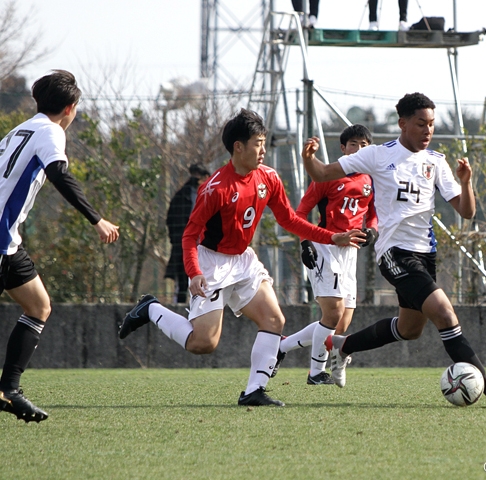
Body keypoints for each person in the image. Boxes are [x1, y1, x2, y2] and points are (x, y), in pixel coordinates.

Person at [118, 109, 364, 407]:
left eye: (264, 142)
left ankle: (253, 391)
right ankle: (151, 309)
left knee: (274, 319)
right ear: (238, 146)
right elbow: (189, 235)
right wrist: (194, 272)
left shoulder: (268, 178)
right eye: (258, 143)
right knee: (203, 344)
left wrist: (329, 237)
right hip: (212, 263)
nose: (263, 149)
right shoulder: (216, 188)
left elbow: (289, 219)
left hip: (244, 261)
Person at [300, 92, 486, 407]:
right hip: (393, 252)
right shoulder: (377, 155)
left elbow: (466, 212)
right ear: (403, 123)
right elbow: (322, 173)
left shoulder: (436, 162)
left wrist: (467, 183)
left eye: (431, 124)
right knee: (445, 314)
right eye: (420, 124)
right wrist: (309, 159)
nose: (428, 130)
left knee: (409, 329)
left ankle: (343, 345)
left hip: (425, 255)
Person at [0, 70, 120, 422]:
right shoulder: (51, 131)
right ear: (70, 108)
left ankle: (9, 389)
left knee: (39, 306)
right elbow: (59, 173)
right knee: (38, 307)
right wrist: (96, 219)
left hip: (8, 240)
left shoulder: (19, 129)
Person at [273, 124, 378, 385]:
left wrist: (373, 231)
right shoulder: (327, 176)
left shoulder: (369, 180)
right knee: (332, 313)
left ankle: (281, 348)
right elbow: (299, 213)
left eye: (364, 145)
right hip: (324, 247)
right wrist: (305, 242)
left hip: (350, 253)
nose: (359, 149)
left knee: (339, 325)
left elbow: (374, 213)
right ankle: (316, 373)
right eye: (354, 144)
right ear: (343, 148)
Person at [165, 162, 211, 303]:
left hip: (204, 243)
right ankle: (181, 303)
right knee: (183, 276)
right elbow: (172, 219)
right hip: (185, 242)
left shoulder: (208, 194)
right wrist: (177, 239)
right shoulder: (183, 196)